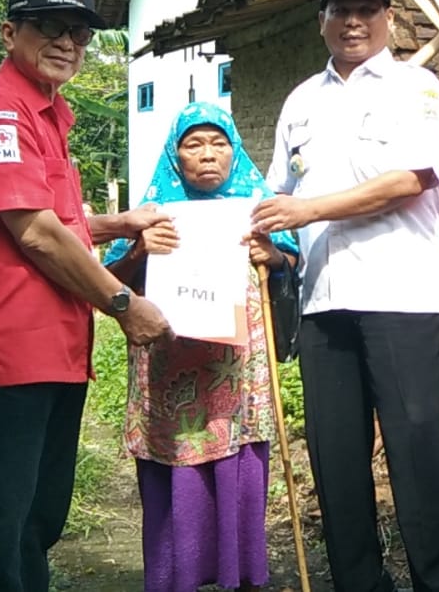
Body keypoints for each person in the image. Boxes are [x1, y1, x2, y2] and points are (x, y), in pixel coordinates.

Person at [0, 0, 172, 592]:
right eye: (50, 26)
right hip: (9, 351)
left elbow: (60, 219)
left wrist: (118, 222)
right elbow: (37, 232)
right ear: (8, 32)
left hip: (57, 351)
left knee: (37, 518)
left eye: (79, 32)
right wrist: (124, 304)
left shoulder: (47, 113)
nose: (68, 43)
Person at [250, 0, 439, 592]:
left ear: (388, 18)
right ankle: (359, 581)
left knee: (417, 447)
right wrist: (277, 248)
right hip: (323, 302)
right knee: (335, 456)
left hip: (400, 296)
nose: (353, 21)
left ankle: (438, 579)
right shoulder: (300, 101)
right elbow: (279, 197)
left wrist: (306, 211)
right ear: (320, 20)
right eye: (339, 9)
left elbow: (408, 181)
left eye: (366, 9)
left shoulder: (416, 88)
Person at [103, 102, 300, 592]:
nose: (208, 155)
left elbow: (292, 269)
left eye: (219, 143)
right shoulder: (152, 216)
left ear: (234, 152)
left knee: (238, 462)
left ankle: (240, 577)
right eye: (194, 145)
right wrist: (139, 249)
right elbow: (107, 282)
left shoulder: (257, 208)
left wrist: (273, 255)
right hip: (170, 376)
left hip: (238, 375)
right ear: (176, 156)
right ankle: (178, 576)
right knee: (178, 472)